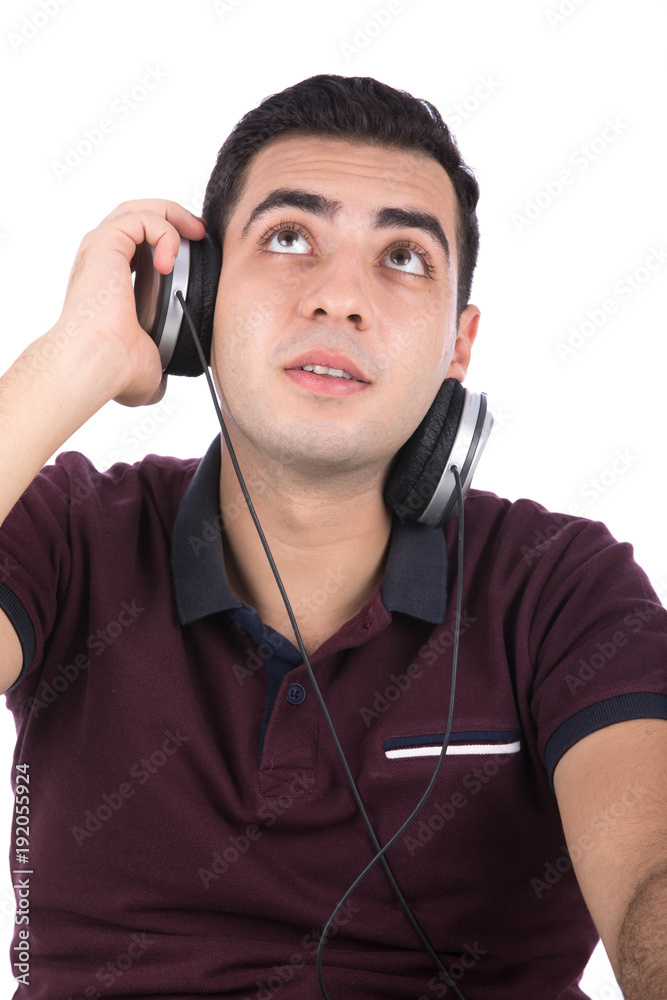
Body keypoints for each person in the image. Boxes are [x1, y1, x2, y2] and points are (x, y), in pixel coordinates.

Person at [0, 74, 665, 1000]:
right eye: (287, 238)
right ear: (195, 301)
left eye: (401, 258)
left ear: (457, 345)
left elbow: (650, 881)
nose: (339, 298)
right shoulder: (65, 534)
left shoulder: (562, 587)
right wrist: (72, 358)